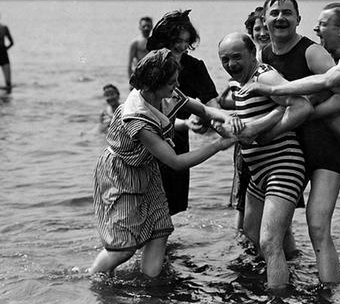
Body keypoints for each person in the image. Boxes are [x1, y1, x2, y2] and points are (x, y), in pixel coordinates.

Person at [242, 0, 340, 283]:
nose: (281, 18)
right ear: (265, 20)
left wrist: (300, 110)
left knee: (318, 227)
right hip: (290, 150)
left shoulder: (312, 53)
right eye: (275, 13)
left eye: (288, 13)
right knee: (258, 228)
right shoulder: (263, 56)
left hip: (326, 148)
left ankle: (328, 299)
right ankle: (288, 270)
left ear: (298, 19)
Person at [89, 49, 239, 277]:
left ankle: (151, 286)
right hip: (120, 173)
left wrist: (225, 117)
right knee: (123, 248)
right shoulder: (136, 118)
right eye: (171, 82)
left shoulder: (166, 93)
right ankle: (94, 280)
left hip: (146, 167)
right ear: (151, 85)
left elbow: (199, 108)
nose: (176, 85)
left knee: (160, 230)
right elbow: (176, 162)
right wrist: (219, 144)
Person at [216, 32, 313, 290]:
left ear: (252, 53)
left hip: (284, 165)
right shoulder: (241, 82)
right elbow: (261, 110)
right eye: (225, 59)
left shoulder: (264, 76)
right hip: (259, 172)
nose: (231, 64)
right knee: (251, 234)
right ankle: (289, 274)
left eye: (237, 57)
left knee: (269, 242)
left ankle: (277, 302)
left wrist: (264, 133)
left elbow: (302, 107)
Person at [146, 10, 219, 216]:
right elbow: (148, 112)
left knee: (170, 208)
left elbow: (211, 104)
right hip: (149, 139)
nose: (181, 46)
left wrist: (212, 122)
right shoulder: (151, 66)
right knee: (148, 206)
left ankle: (162, 248)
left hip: (178, 141)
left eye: (186, 41)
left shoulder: (195, 67)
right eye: (176, 40)